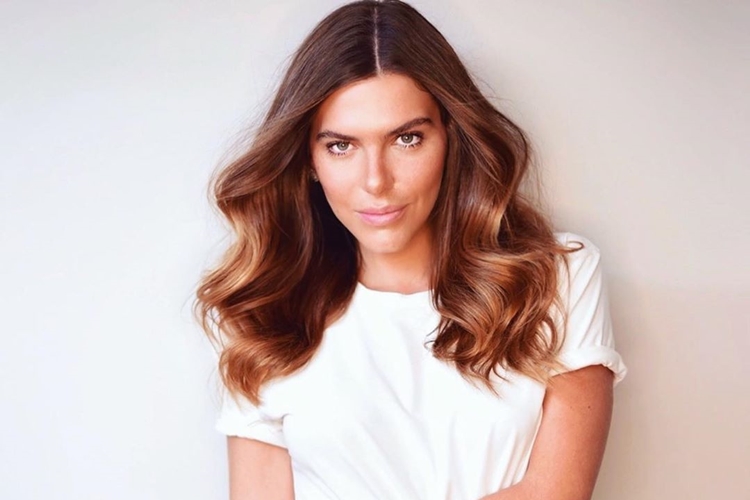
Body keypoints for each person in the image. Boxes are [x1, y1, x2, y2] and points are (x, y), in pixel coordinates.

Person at [195, 1, 627, 499]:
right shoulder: (265, 312)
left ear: (450, 137)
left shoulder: (558, 276)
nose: (376, 181)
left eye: (406, 139)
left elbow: (554, 495)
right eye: (341, 146)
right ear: (308, 158)